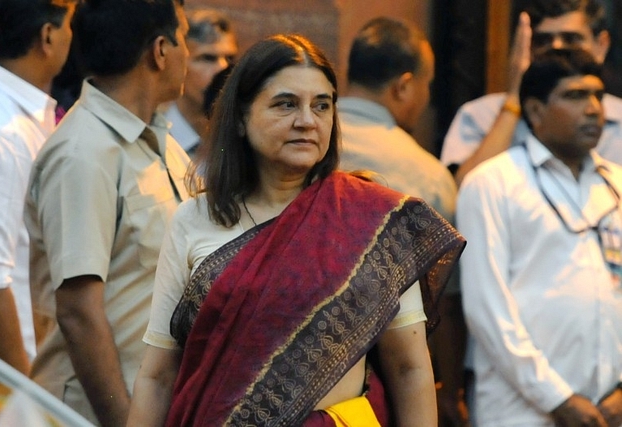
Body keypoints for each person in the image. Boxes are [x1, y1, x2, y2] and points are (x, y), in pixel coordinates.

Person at [127, 34, 466, 427]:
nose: (307, 121)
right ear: (240, 116)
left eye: (321, 106)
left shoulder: (374, 222)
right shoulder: (195, 219)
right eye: (286, 104)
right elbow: (158, 373)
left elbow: (410, 370)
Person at [24, 1, 190, 425]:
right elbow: (78, 311)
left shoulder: (162, 144)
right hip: (88, 413)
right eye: (185, 38)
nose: (187, 52)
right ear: (160, 50)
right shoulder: (83, 152)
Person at [457, 48, 622, 427]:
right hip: (521, 412)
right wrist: (558, 399)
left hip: (609, 410)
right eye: (575, 96)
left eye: (597, 95)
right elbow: (487, 311)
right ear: (534, 110)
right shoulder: (492, 183)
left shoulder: (616, 184)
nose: (595, 108)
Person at [338, 17, 466, 426]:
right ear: (404, 85)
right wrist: (450, 391)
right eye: (425, 86)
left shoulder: (295, 146)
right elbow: (444, 300)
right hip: (385, 384)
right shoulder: (425, 174)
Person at [0, 0, 76, 375]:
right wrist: (26, 399)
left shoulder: (6, 115)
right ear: (48, 36)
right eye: (69, 24)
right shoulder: (1, 128)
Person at [441, 0, 622, 186]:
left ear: (601, 45)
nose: (557, 49)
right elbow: (466, 191)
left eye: (571, 39)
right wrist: (514, 98)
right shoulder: (481, 115)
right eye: (543, 41)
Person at [164, 8, 238, 160]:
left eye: (230, 59)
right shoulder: (156, 140)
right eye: (208, 58)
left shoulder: (239, 141)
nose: (223, 68)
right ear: (178, 64)